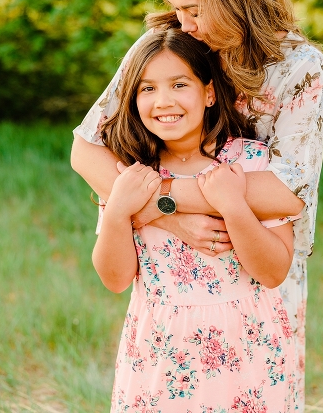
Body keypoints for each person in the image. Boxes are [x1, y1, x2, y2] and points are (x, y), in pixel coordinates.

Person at [71, 0, 323, 409]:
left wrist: (158, 199)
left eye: (193, 9)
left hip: (256, 265)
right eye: (176, 9)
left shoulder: (298, 66)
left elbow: (287, 190)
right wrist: (159, 211)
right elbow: (87, 147)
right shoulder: (167, 48)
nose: (184, 23)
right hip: (168, 285)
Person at [94, 29, 300, 409]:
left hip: (247, 350)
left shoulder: (250, 163)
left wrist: (234, 206)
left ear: (208, 93)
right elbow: (115, 278)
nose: (163, 100)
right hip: (160, 353)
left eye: (178, 84)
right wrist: (119, 209)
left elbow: (273, 272)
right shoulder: (132, 173)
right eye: (147, 89)